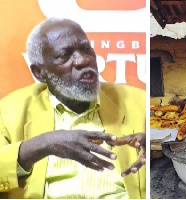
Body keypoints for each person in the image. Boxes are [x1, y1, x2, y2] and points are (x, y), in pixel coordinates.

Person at [0, 18, 146, 199]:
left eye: (86, 49)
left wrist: (154, 145)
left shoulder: (138, 102)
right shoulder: (9, 111)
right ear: (40, 72)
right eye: (65, 55)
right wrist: (46, 144)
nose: (83, 60)